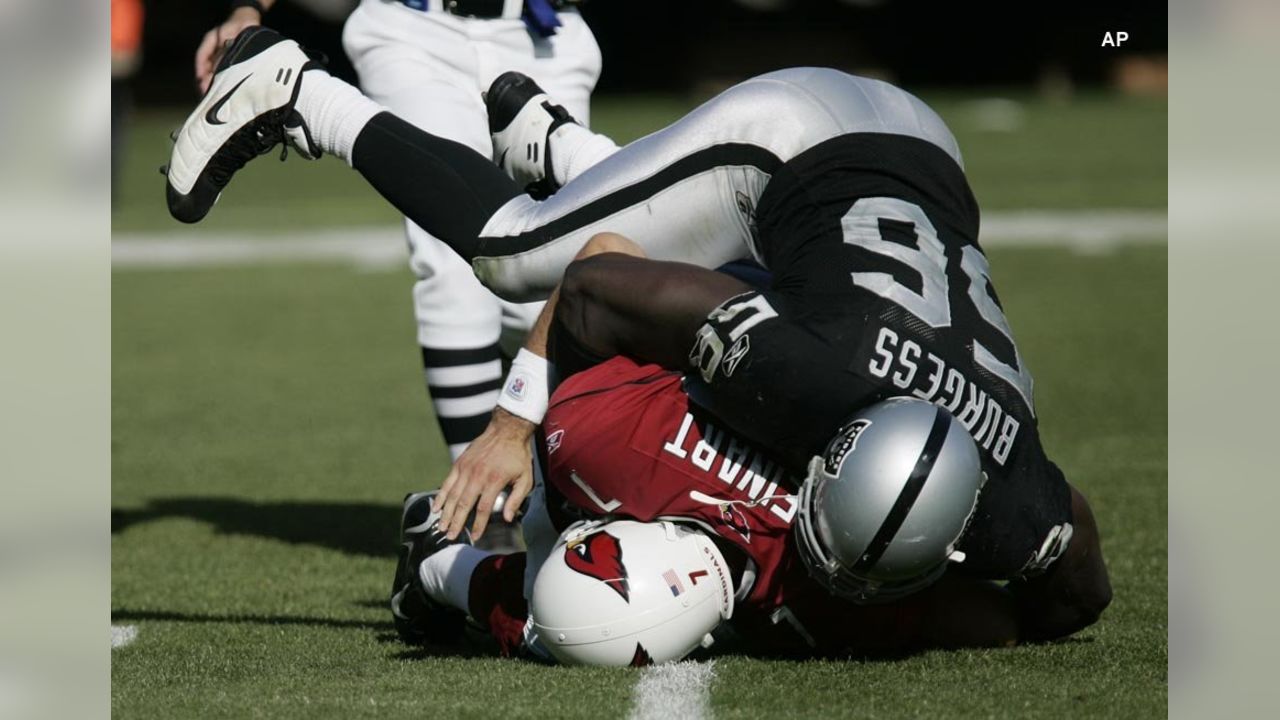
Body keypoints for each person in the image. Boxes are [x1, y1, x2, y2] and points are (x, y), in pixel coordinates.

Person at [164, 28, 1110, 642]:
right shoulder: (806, 375)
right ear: (833, 446)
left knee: (715, 270)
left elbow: (1079, 587)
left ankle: (559, 148)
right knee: (516, 251)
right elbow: (594, 289)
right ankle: (296, 89)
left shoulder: (1012, 483)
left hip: (921, 166)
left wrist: (1017, 595)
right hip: (798, 138)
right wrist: (511, 424)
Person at [192, 0, 602, 466]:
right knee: (452, 263)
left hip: (547, 35)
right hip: (415, 27)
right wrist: (248, 8)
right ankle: (481, 518)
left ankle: (537, 496)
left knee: (539, 291)